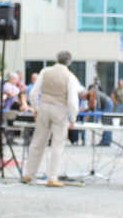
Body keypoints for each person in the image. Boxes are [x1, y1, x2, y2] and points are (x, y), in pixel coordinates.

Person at [22, 51, 80, 187]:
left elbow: (33, 93)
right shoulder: (70, 77)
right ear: (69, 62)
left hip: (44, 107)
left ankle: (28, 174)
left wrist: (35, 108)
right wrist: (73, 118)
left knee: (37, 142)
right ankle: (52, 177)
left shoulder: (45, 71)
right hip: (60, 109)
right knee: (57, 144)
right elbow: (72, 101)